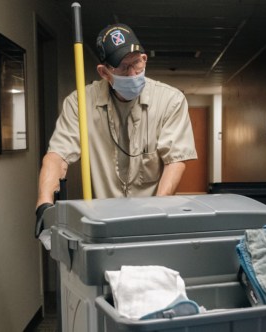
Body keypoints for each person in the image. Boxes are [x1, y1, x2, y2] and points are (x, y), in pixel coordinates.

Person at [35, 23, 197, 234]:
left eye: (136, 63)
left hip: (154, 217)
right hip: (102, 221)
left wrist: (159, 212)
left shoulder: (170, 100)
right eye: (122, 67)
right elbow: (57, 156)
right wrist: (44, 204)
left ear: (144, 59)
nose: (132, 74)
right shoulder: (80, 103)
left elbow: (175, 160)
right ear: (104, 72)